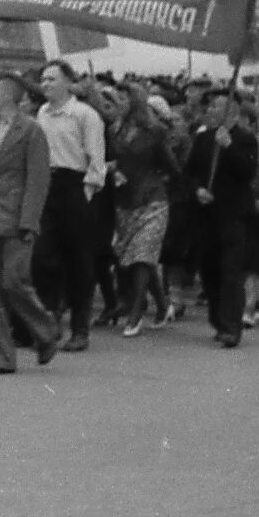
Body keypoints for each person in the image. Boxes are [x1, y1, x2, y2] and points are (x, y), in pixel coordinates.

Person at [0, 74, 58, 376]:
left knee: (14, 281)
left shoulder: (31, 131)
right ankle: (1, 357)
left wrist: (29, 222)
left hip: (16, 219)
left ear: (11, 95)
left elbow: (38, 180)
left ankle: (45, 329)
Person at [31, 61, 105, 352]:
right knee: (43, 258)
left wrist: (84, 195)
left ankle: (80, 328)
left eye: (51, 79)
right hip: (47, 187)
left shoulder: (85, 115)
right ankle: (49, 323)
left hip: (75, 187)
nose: (45, 84)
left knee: (80, 262)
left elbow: (96, 162)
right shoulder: (42, 113)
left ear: (68, 83)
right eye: (43, 79)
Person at [185, 85, 259, 348]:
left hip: (234, 215)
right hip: (207, 215)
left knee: (232, 272)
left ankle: (232, 326)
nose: (210, 110)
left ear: (231, 110)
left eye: (216, 106)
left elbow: (248, 172)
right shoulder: (203, 137)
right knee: (210, 270)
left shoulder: (245, 138)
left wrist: (229, 147)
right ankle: (218, 321)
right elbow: (189, 172)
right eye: (209, 107)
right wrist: (197, 189)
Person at [108, 91, 178, 337]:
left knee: (143, 255)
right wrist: (113, 169)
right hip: (125, 201)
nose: (119, 104)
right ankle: (163, 304)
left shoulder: (155, 131)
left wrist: (163, 180)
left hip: (152, 200)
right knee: (135, 257)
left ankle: (136, 312)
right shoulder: (114, 130)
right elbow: (112, 158)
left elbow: (171, 165)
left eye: (124, 99)